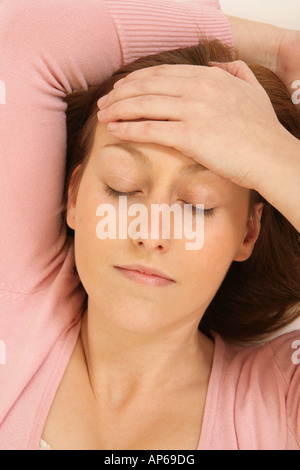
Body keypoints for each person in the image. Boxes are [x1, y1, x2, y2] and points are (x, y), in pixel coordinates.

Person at [0, 0, 299, 451]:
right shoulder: (13, 309)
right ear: (75, 197)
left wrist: (274, 155)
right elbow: (23, 39)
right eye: (122, 189)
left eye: (197, 206)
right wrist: (279, 47)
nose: (151, 233)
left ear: (247, 233)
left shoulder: (281, 397)